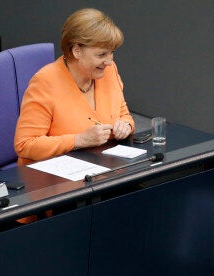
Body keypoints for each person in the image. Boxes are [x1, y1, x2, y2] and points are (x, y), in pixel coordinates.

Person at [14, 8, 134, 166]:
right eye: (101, 55)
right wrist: (78, 140)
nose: (109, 61)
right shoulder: (45, 82)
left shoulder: (108, 71)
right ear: (76, 51)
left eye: (112, 53)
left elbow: (124, 114)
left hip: (100, 167)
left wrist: (125, 125)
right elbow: (25, 144)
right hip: (51, 178)